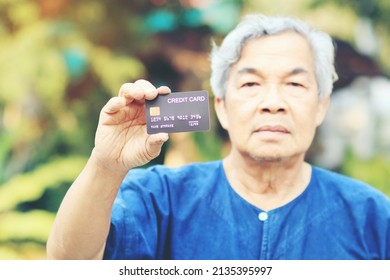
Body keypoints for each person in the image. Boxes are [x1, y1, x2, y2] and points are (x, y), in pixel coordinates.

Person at [46, 13, 390, 260]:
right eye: (251, 84)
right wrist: (106, 164)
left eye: (295, 84)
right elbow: (68, 265)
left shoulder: (371, 215)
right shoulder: (159, 198)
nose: (273, 103)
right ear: (222, 107)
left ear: (320, 107)